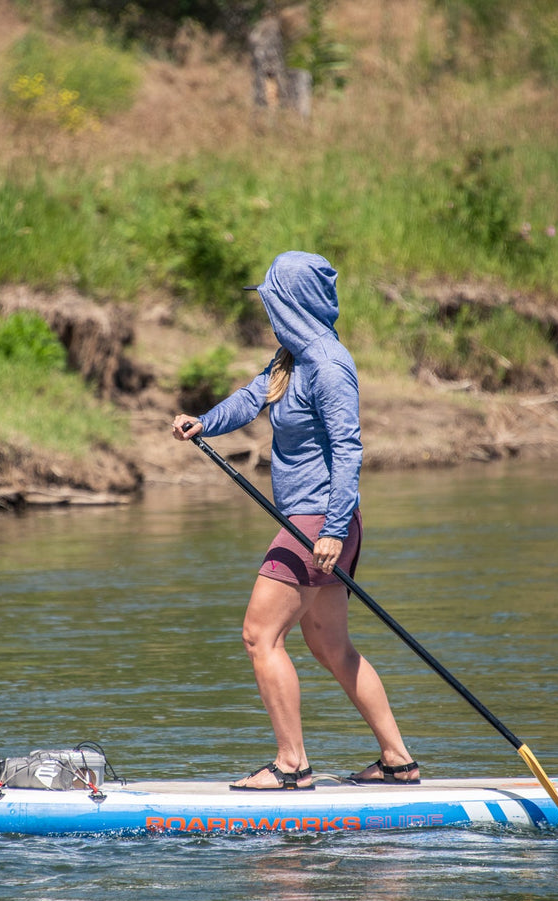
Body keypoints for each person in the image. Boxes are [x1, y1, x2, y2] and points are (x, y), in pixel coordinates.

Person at [170, 251, 420, 791]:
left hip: (318, 523)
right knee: (331, 647)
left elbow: (349, 450)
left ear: (293, 302)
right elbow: (249, 398)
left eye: (272, 300)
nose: (266, 309)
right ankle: (398, 759)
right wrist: (205, 423)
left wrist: (331, 529)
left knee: (260, 635)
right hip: (321, 523)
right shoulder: (291, 359)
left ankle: (291, 766)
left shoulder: (328, 366)